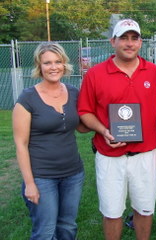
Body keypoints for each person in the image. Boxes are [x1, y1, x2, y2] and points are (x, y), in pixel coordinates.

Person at [77, 19, 156, 240]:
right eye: (123, 38)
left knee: (145, 209)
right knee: (111, 212)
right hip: (109, 156)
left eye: (134, 38)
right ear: (112, 41)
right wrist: (104, 130)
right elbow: (85, 111)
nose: (129, 43)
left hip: (145, 154)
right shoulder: (95, 74)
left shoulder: (154, 72)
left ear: (140, 42)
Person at [12, 42, 89, 240]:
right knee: (45, 232)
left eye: (57, 62)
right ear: (39, 66)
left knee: (67, 226)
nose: (53, 67)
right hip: (42, 177)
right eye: (47, 63)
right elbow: (20, 144)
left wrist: (108, 122)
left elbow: (82, 126)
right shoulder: (27, 98)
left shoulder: (73, 92)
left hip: (73, 174)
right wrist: (29, 183)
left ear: (64, 64)